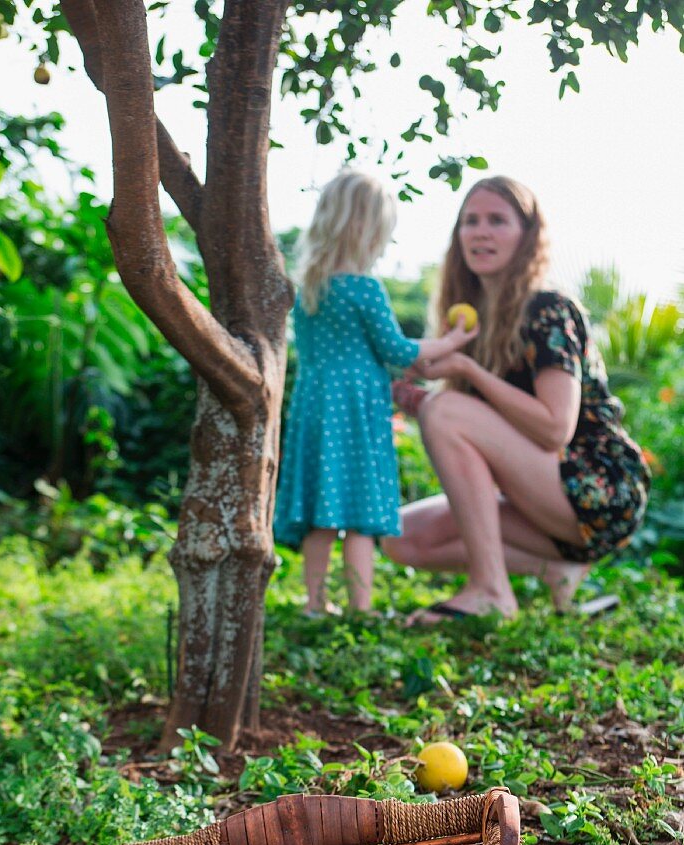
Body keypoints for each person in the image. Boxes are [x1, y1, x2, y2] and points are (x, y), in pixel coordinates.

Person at [384, 176, 650, 622]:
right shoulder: (474, 322)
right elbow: (486, 435)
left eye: (497, 221)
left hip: (598, 487)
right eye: (470, 221)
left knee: (445, 409)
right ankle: (559, 568)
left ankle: (491, 590)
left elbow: (553, 428)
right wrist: (416, 397)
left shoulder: (546, 308)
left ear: (527, 236)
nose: (480, 231)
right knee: (399, 537)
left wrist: (466, 372)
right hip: (544, 495)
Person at [274, 169, 476, 616]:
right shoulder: (364, 289)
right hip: (357, 411)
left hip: (316, 407)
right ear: (367, 229)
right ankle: (360, 609)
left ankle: (314, 602)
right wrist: (451, 342)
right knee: (361, 514)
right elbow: (398, 350)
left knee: (323, 511)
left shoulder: (309, 289)